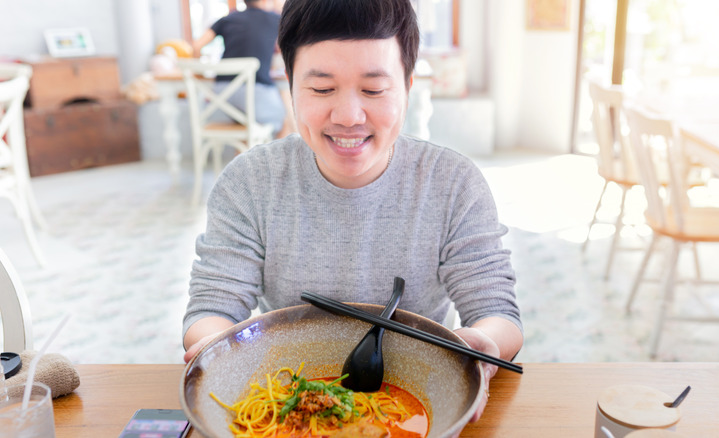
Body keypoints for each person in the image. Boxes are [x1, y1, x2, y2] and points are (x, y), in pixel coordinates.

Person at [182, 0, 523, 423]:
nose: (347, 116)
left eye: (374, 90)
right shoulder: (250, 181)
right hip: (290, 399)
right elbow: (212, 309)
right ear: (289, 84)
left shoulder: (452, 182)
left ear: (407, 86)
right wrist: (216, 349)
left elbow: (497, 313)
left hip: (419, 398)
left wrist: (483, 343)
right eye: (322, 89)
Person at [191, 0, 288, 137]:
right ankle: (281, 159)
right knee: (286, 120)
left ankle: (243, 155)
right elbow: (285, 48)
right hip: (255, 91)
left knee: (247, 123)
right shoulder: (275, 19)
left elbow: (196, 47)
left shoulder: (227, 19)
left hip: (222, 94)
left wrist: (199, 73)